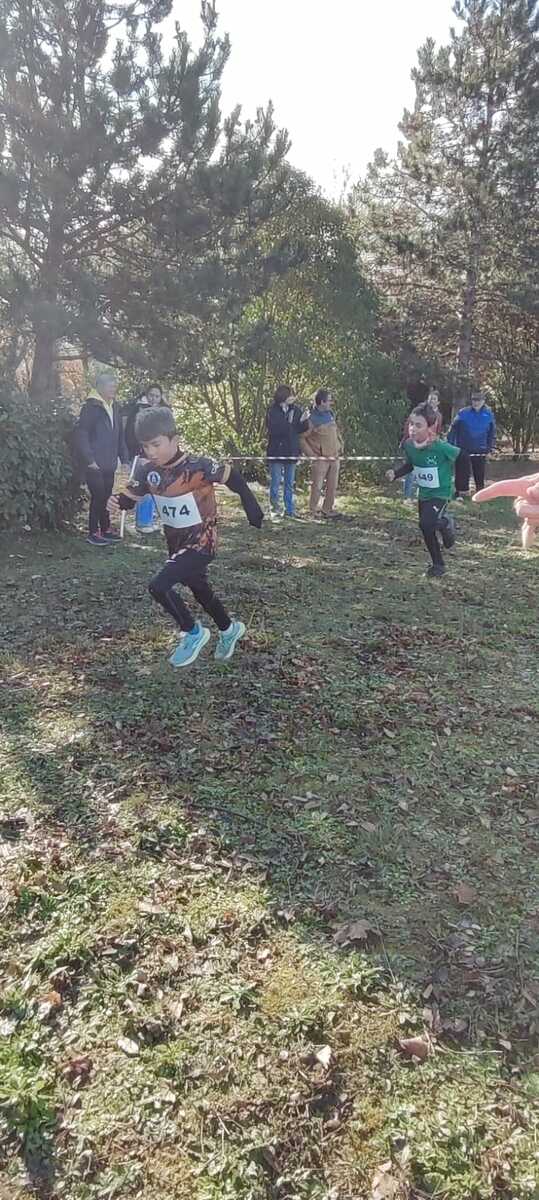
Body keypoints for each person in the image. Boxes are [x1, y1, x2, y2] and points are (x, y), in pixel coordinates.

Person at [107, 406, 264, 668]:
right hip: (176, 544)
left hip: (202, 543)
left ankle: (192, 632)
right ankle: (229, 629)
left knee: (158, 586)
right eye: (145, 446)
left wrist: (251, 506)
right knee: (200, 589)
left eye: (156, 444)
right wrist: (116, 501)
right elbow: (130, 499)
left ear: (175, 439)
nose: (150, 452)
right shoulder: (147, 471)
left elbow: (233, 477)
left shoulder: (199, 465)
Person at [386, 401, 460, 578]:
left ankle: (445, 523)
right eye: (411, 424)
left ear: (430, 427)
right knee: (426, 528)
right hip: (424, 494)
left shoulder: (440, 446)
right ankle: (438, 565)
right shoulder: (409, 445)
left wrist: (462, 486)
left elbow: (462, 457)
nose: (413, 429)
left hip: (441, 493)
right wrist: (395, 473)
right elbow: (411, 464)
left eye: (418, 425)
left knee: (426, 523)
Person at [73, 372, 128, 546]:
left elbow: (120, 435)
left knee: (107, 496)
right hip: (94, 463)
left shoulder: (115, 406)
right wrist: (89, 459)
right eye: (111, 386)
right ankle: (93, 532)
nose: (114, 389)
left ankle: (105, 529)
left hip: (109, 462)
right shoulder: (91, 407)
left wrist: (125, 459)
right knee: (98, 497)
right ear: (100, 387)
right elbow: (82, 434)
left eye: (115, 386)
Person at [124, 384, 167, 532]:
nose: (153, 399)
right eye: (151, 395)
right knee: (144, 487)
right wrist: (139, 453)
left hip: (159, 457)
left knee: (158, 487)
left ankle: (152, 519)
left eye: (157, 396)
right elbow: (130, 434)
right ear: (146, 395)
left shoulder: (163, 412)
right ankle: (143, 523)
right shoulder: (138, 410)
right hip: (141, 456)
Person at [266, 385, 310, 519]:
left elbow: (300, 429)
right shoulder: (272, 411)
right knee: (275, 483)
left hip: (291, 450)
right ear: (283, 396)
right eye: (291, 395)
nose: (293, 398)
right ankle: (275, 509)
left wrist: (304, 420)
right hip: (276, 451)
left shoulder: (296, 410)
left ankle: (289, 510)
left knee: (289, 483)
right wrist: (288, 422)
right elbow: (274, 430)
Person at [301, 388, 344, 518]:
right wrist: (312, 456)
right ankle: (313, 511)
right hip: (321, 458)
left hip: (334, 456)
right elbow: (301, 439)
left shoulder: (330, 414)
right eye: (329, 400)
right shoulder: (311, 419)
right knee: (317, 486)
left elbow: (335, 431)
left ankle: (327, 510)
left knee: (332, 486)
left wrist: (340, 444)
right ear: (322, 402)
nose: (331, 403)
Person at [448, 390, 496, 499]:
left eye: (478, 400)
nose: (476, 402)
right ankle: (461, 492)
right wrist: (450, 446)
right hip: (463, 448)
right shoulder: (463, 413)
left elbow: (492, 432)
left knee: (479, 472)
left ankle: (480, 493)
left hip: (481, 449)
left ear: (483, 401)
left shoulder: (488, 414)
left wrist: (490, 448)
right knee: (461, 472)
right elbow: (453, 429)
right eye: (474, 400)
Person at [400, 386, 442, 502]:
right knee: (410, 470)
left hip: (428, 446)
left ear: (438, 402)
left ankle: (422, 496)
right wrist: (409, 441)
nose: (431, 401)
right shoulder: (418, 411)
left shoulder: (438, 416)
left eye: (434, 399)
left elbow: (437, 431)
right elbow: (408, 426)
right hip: (414, 443)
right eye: (430, 398)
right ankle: (407, 496)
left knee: (425, 471)